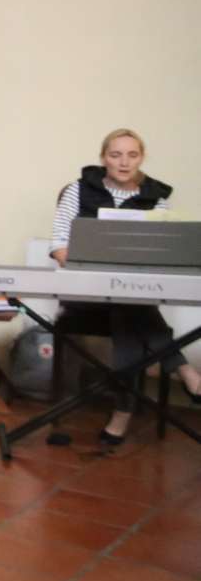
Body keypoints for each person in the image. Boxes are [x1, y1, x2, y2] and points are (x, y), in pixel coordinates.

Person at [49, 128, 201, 443]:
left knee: (128, 309)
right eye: (115, 154)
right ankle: (184, 371)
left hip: (132, 293)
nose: (123, 162)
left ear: (141, 158)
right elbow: (58, 246)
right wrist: (90, 268)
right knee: (133, 310)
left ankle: (123, 410)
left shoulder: (156, 197)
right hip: (87, 292)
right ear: (104, 157)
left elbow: (160, 252)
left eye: (132, 155)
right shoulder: (78, 190)